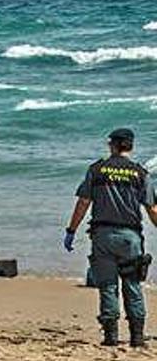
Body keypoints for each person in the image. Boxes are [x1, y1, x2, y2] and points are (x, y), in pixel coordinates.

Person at [64, 128, 157, 347]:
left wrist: (71, 230)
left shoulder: (96, 170)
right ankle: (136, 336)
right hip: (130, 238)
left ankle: (111, 336)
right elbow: (152, 209)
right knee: (133, 285)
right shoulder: (140, 173)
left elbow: (83, 202)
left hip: (102, 236)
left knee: (107, 286)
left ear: (112, 145)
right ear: (131, 146)